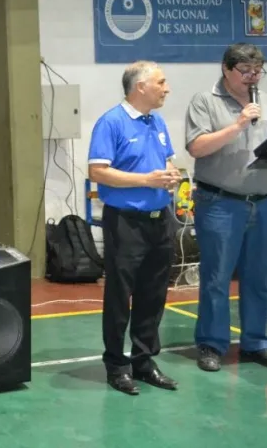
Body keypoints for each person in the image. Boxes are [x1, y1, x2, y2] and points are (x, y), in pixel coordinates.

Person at [184, 43, 267, 372]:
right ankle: (212, 344)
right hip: (220, 203)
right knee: (217, 278)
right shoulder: (205, 101)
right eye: (246, 72)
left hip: (265, 204)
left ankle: (256, 342)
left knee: (260, 278)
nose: (252, 78)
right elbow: (197, 148)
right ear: (226, 69)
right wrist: (239, 124)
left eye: (257, 72)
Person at [87, 61, 180, 395]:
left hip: (160, 222)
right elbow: (97, 171)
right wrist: (145, 179)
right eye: (161, 82)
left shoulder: (157, 121)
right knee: (119, 296)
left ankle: (144, 361)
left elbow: (166, 159)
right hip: (125, 223)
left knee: (153, 295)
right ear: (140, 87)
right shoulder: (111, 122)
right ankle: (116, 364)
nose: (167, 88)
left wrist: (171, 174)